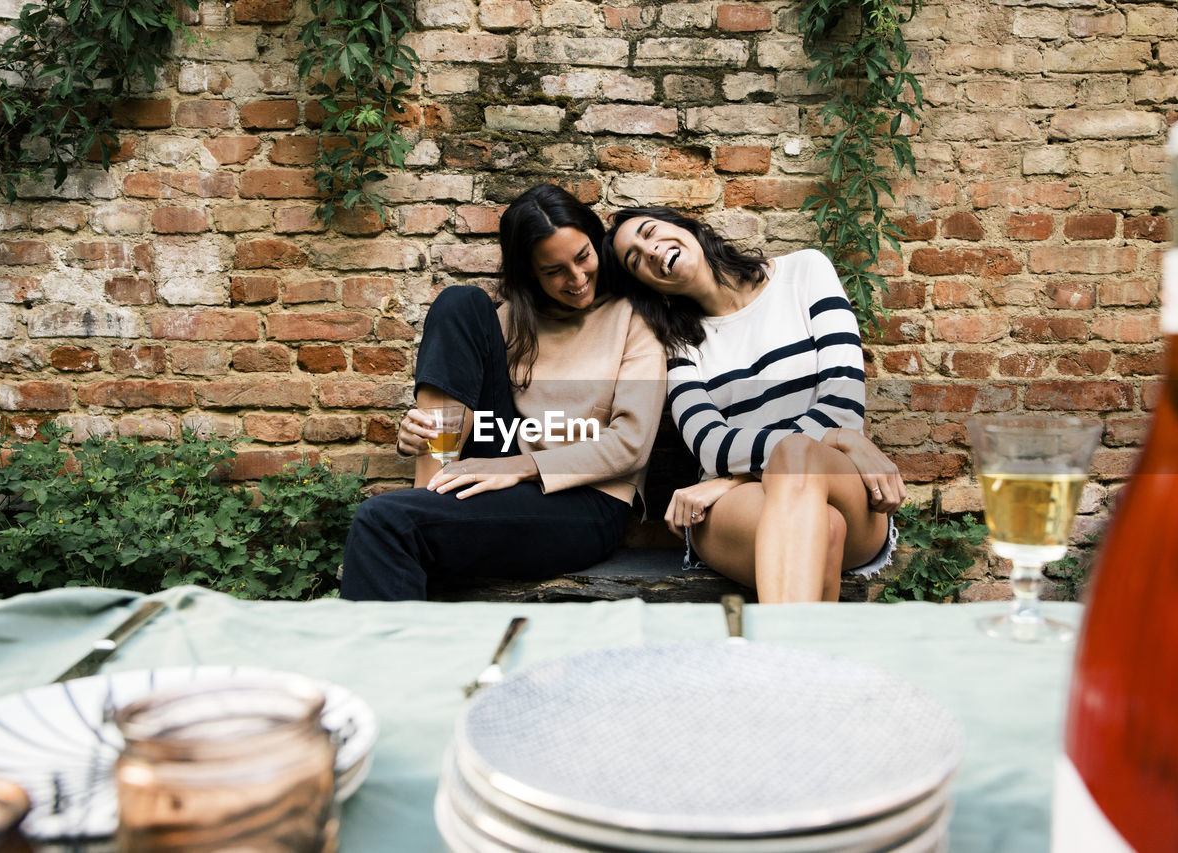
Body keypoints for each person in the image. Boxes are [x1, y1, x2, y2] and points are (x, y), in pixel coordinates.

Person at [340, 185, 666, 600]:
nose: (577, 279)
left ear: (596, 242)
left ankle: (424, 513)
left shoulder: (635, 318)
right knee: (460, 302)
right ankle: (431, 492)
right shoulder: (507, 321)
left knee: (385, 519)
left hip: (585, 500)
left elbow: (631, 445)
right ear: (530, 271)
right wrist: (419, 434)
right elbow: (476, 419)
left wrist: (522, 466)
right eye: (554, 271)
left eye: (583, 256)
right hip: (500, 470)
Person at [603, 207, 904, 603]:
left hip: (839, 489)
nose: (652, 251)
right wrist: (842, 440)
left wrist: (736, 476)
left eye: (649, 232)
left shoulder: (805, 272)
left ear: (683, 226)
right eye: (636, 259)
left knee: (799, 455)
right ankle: (797, 661)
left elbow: (842, 405)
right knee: (822, 525)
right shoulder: (677, 344)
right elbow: (712, 446)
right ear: (646, 284)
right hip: (736, 510)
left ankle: (764, 661)